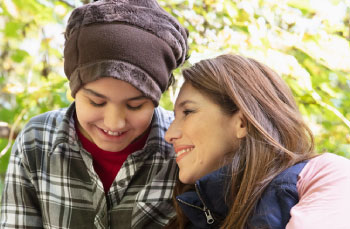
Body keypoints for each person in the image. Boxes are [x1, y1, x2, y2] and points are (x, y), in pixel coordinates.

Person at [0, 0, 188, 228]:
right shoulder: (37, 141)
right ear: (74, 89)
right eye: (96, 102)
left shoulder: (183, 146)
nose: (114, 123)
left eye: (135, 105)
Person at [164, 54, 350, 229]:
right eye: (174, 117)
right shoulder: (190, 215)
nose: (169, 134)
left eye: (187, 112)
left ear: (242, 123)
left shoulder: (327, 175)